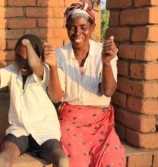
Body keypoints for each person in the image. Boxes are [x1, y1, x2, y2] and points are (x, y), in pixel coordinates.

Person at [44, 2, 126, 166]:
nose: (77, 32)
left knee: (113, 157)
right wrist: (52, 66)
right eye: (72, 27)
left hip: (101, 123)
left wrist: (107, 63)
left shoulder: (104, 52)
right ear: (67, 28)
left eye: (83, 27)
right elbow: (56, 97)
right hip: (70, 123)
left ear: (93, 27)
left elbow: (108, 91)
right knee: (76, 160)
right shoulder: (60, 55)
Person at [0, 34, 69, 167]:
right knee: (2, 159)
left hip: (45, 133)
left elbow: (35, 65)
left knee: (62, 160)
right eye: (18, 57)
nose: (22, 63)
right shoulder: (12, 71)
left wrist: (28, 45)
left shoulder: (44, 71)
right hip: (19, 131)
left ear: (39, 58)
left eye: (27, 58)